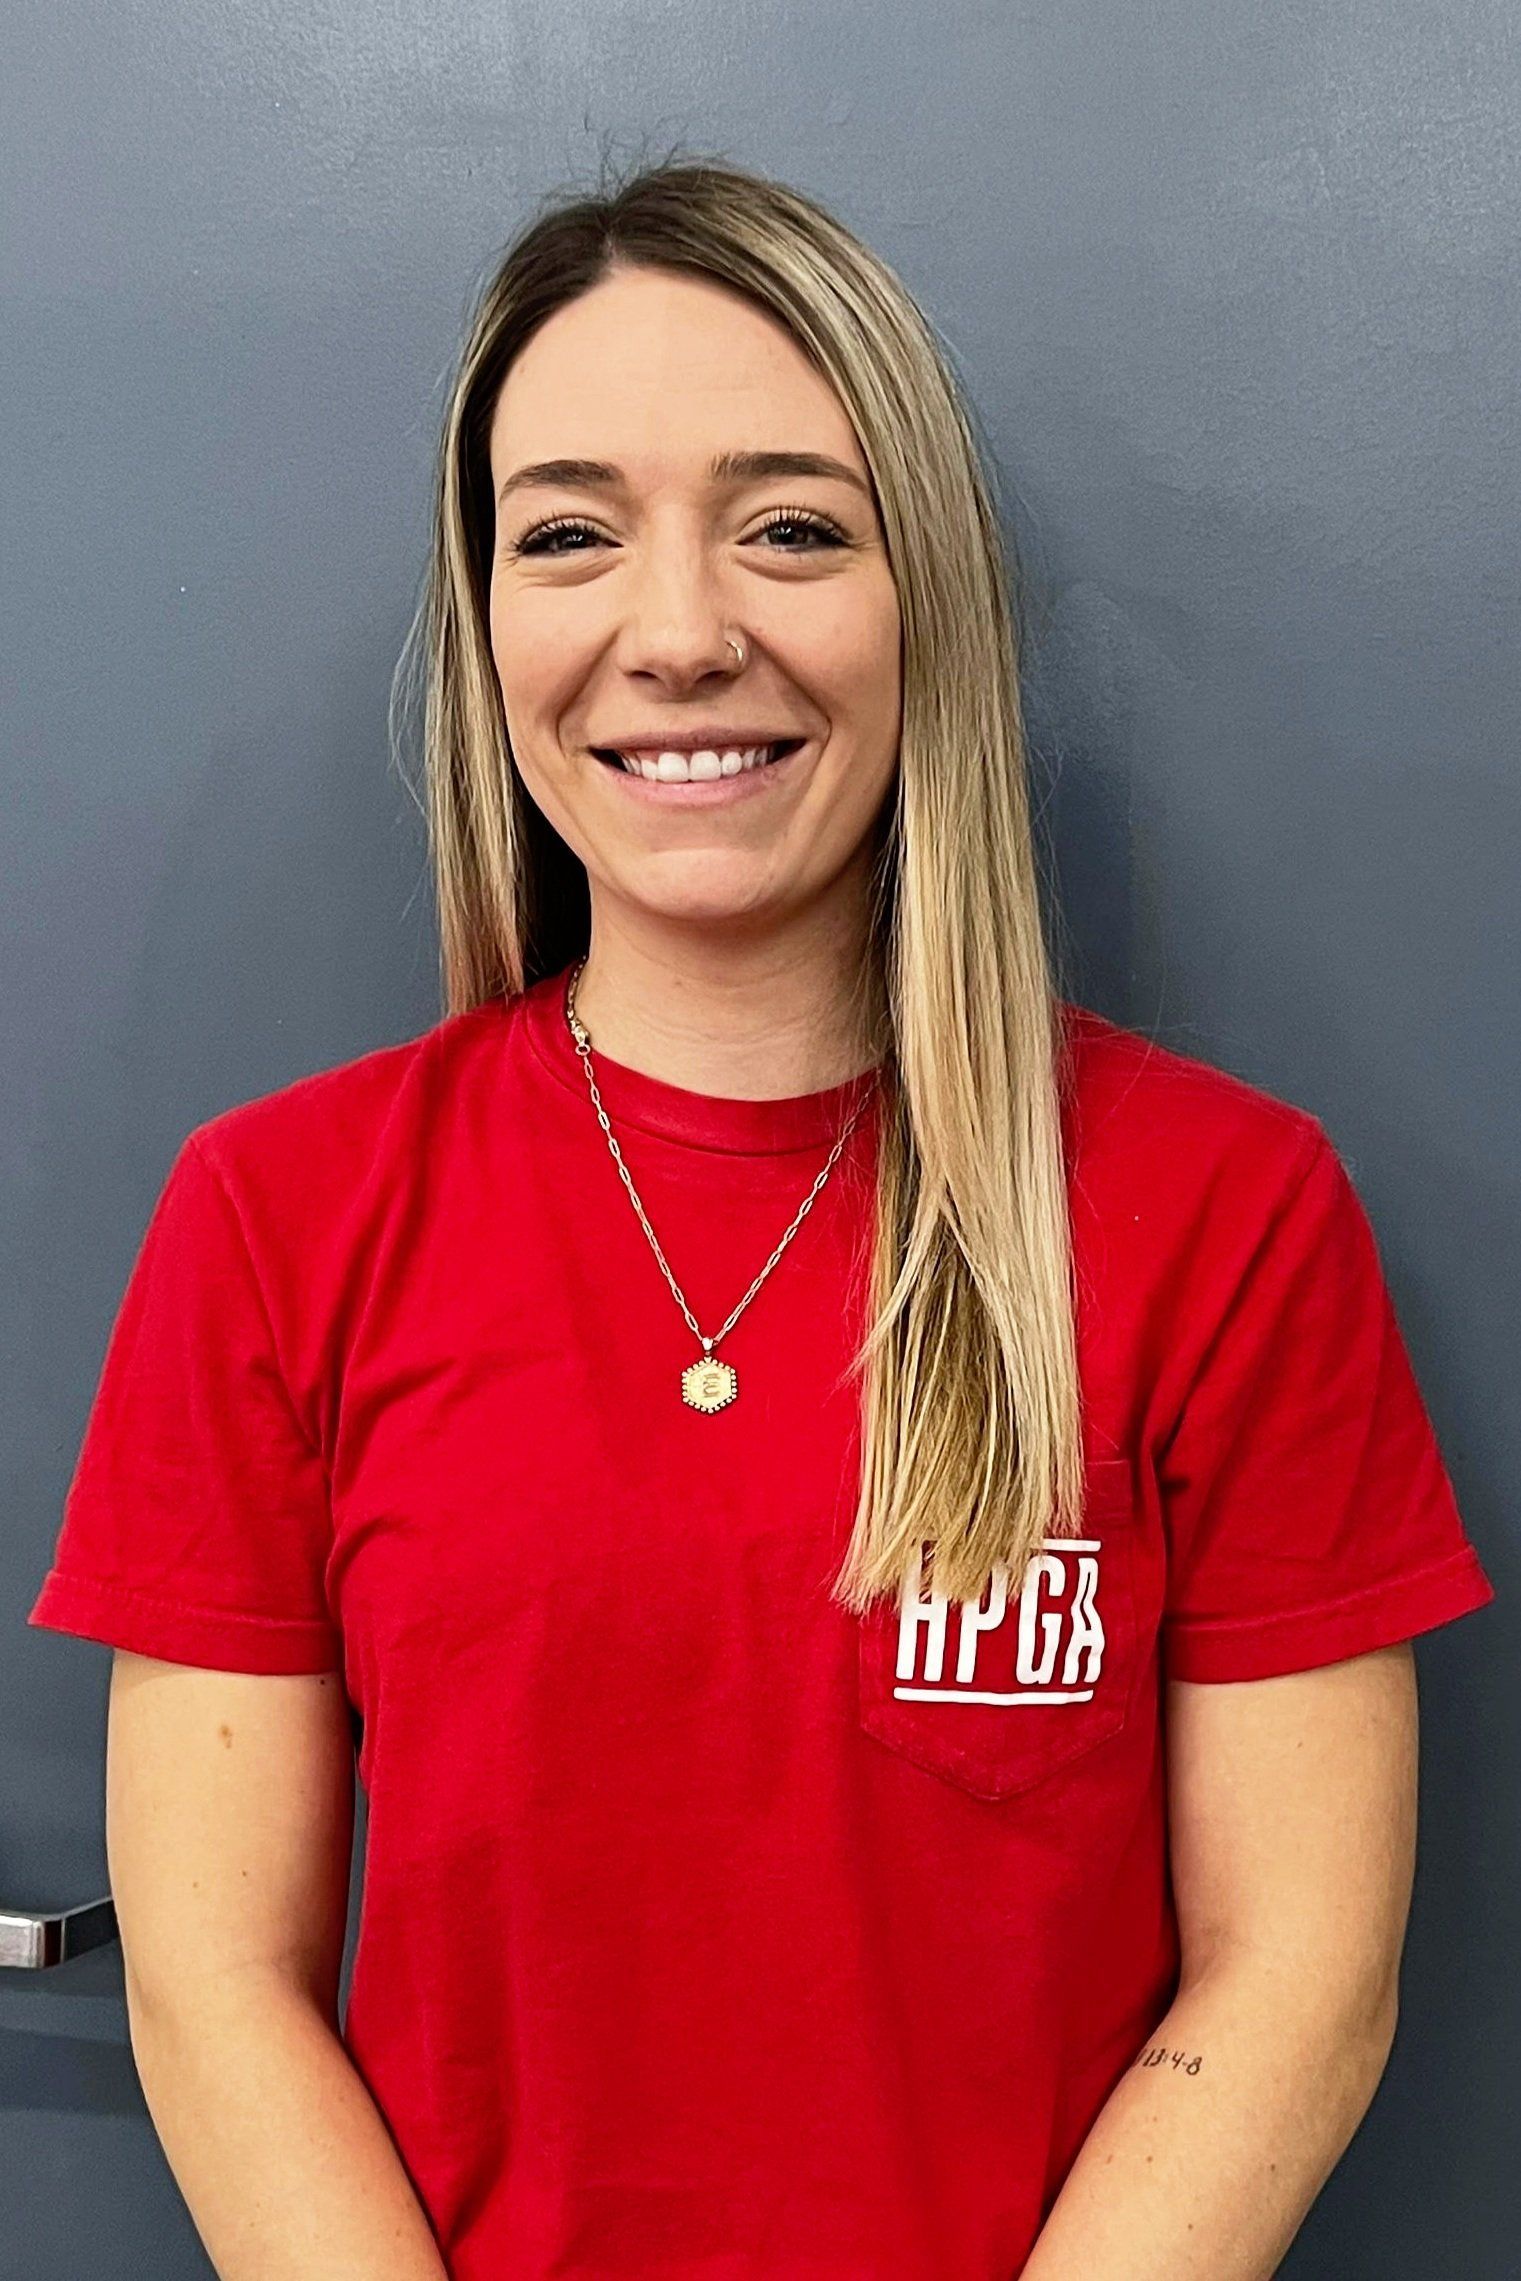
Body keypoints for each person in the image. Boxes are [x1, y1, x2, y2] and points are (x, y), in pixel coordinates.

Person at [29, 154, 1495, 2281]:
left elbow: (1293, 1987)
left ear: (927, 604)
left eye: (793, 526)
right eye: (567, 536)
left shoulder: (1222, 1214)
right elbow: (214, 1984)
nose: (680, 630)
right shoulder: (277, 1213)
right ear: (489, 619)